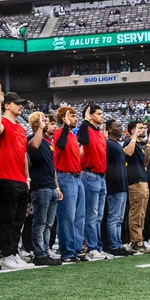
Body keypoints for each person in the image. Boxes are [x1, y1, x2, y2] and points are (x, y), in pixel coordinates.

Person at [0, 87, 33, 270]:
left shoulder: (21, 128)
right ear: (8, 105)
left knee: (17, 220)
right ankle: (7, 255)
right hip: (5, 177)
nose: (21, 107)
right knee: (7, 220)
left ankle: (13, 253)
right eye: (17, 104)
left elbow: (23, 155)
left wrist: (27, 178)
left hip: (20, 179)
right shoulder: (4, 123)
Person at [26, 111, 62, 266]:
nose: (46, 122)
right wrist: (40, 129)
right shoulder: (32, 139)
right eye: (43, 120)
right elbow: (33, 145)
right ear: (36, 124)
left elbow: (52, 167)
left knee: (48, 223)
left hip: (50, 186)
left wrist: (57, 186)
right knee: (40, 222)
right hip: (40, 185)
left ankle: (45, 250)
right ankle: (39, 253)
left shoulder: (48, 142)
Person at [53, 106, 85, 264]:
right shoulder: (60, 133)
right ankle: (67, 252)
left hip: (77, 177)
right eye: (72, 116)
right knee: (67, 217)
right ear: (64, 118)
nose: (75, 118)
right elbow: (60, 145)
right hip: (66, 177)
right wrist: (65, 126)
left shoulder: (73, 136)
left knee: (79, 216)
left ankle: (75, 249)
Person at [78, 105, 110, 260]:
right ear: (90, 115)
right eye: (98, 113)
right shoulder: (87, 130)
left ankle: (97, 246)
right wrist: (84, 120)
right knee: (92, 215)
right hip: (90, 175)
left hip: (101, 177)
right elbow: (82, 139)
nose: (101, 116)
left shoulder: (99, 133)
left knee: (98, 216)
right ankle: (91, 248)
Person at [104, 119, 132, 256]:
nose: (120, 128)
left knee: (119, 218)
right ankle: (114, 245)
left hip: (122, 185)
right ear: (109, 129)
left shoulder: (117, 144)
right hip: (114, 185)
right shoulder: (107, 143)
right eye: (117, 126)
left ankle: (118, 243)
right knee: (114, 218)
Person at [123, 121, 150, 254]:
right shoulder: (129, 142)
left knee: (142, 213)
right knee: (136, 213)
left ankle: (140, 239)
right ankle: (135, 241)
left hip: (143, 180)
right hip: (135, 182)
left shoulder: (140, 145)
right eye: (140, 128)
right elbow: (128, 153)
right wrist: (133, 137)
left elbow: (146, 161)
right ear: (133, 130)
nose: (143, 130)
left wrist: (148, 144)